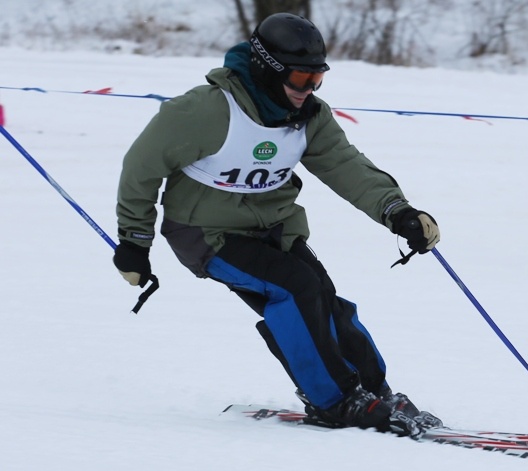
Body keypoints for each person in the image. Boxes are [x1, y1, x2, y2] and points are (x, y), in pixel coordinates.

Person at [113, 12, 441, 438]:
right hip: (205, 232)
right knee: (293, 288)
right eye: (301, 78)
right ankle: (334, 400)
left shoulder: (308, 117)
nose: (309, 90)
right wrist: (134, 241)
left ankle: (372, 389)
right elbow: (140, 169)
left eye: (317, 79)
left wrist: (397, 212)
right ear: (267, 70)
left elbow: (346, 166)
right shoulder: (204, 111)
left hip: (273, 226)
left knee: (322, 294)